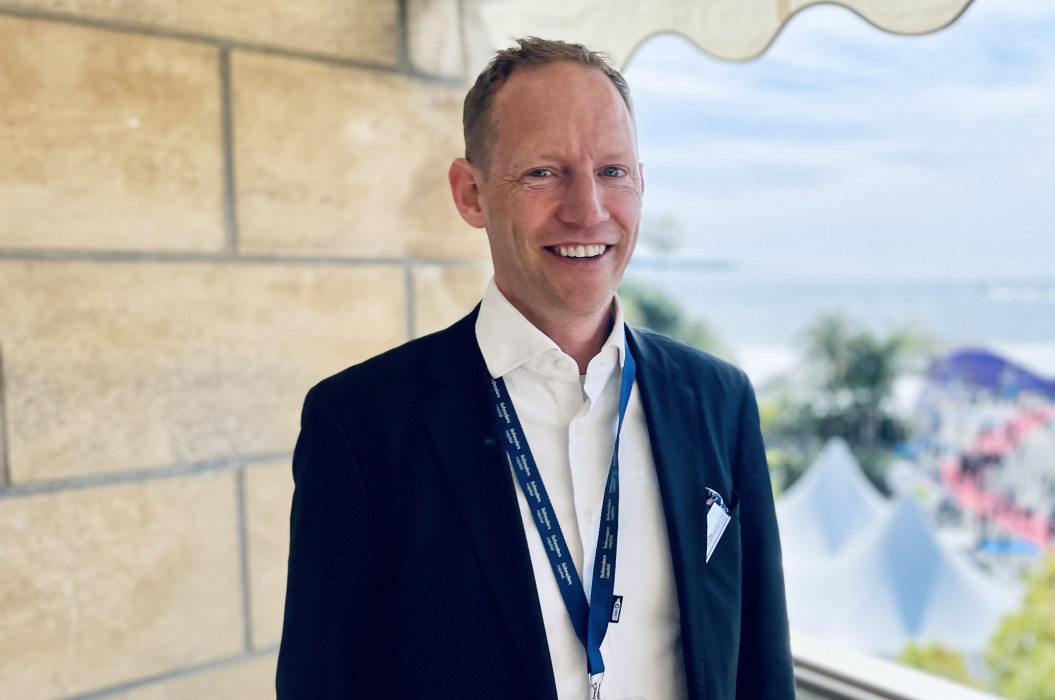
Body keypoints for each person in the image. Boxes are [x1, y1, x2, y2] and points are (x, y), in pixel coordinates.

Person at [275, 37, 794, 700]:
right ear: (471, 193)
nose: (589, 210)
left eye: (612, 171)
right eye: (544, 173)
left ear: (641, 183)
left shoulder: (719, 399)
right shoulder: (361, 425)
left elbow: (761, 666)